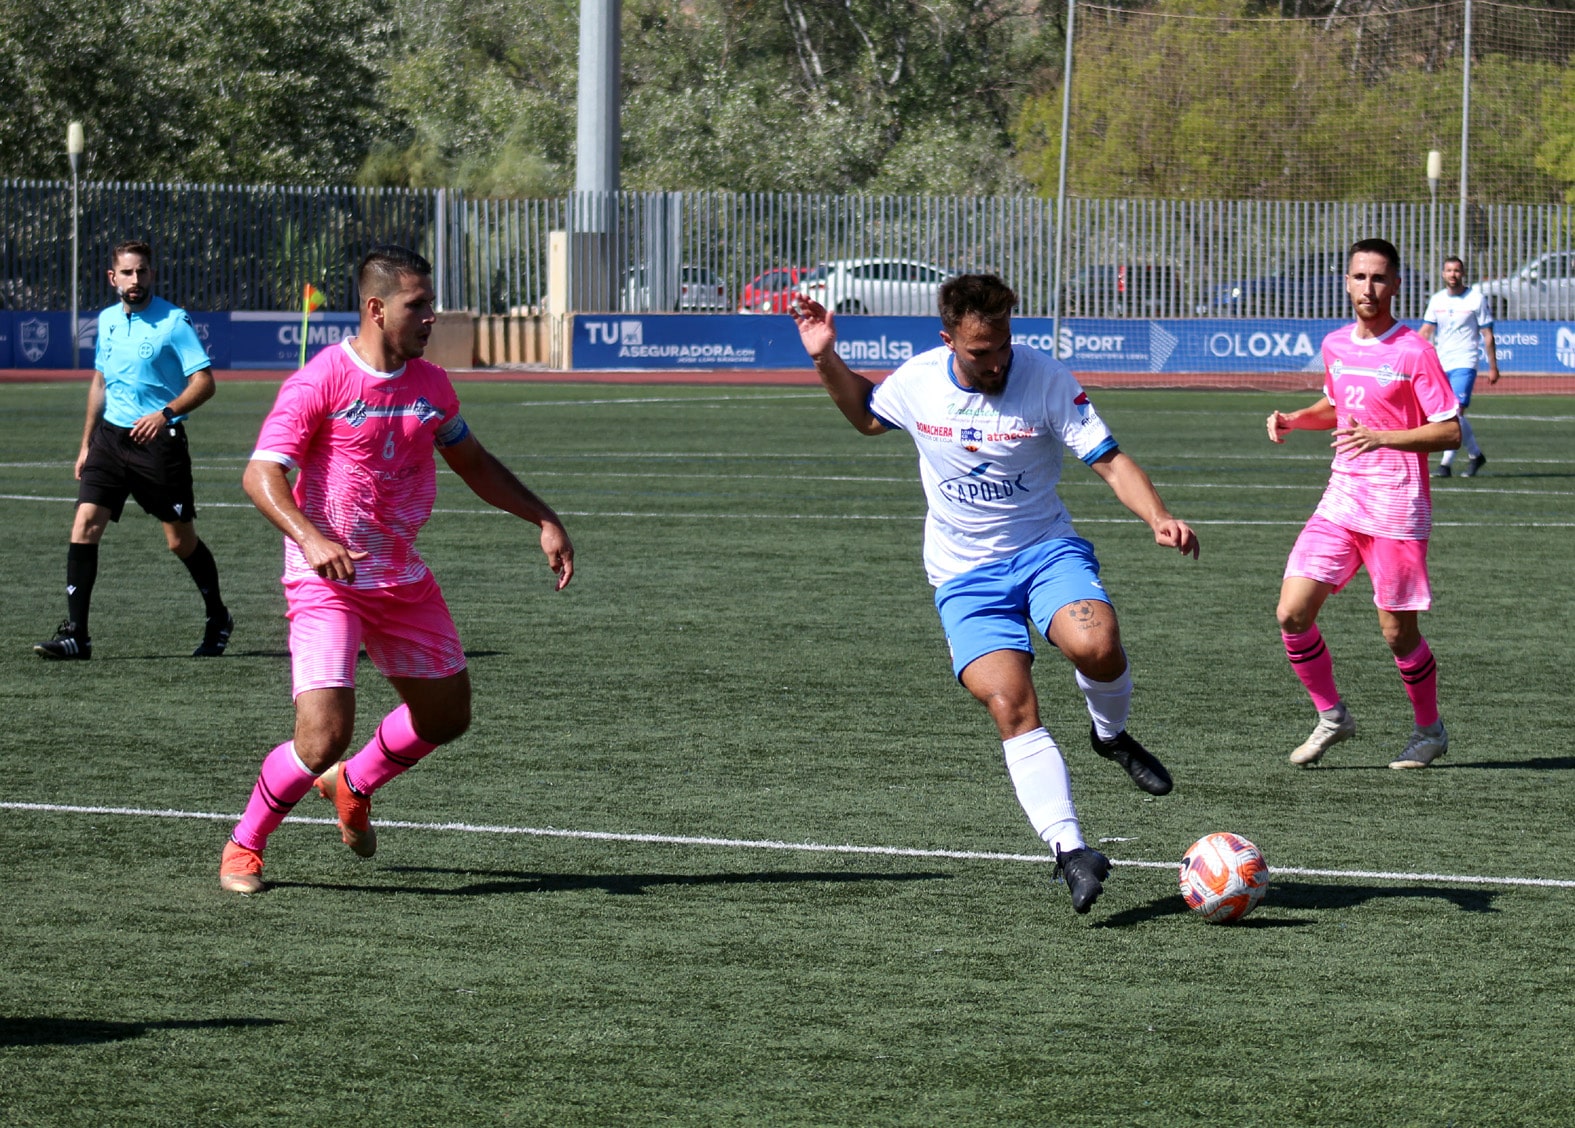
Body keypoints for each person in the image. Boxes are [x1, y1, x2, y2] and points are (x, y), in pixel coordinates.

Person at [790, 273, 1198, 915]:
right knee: (1010, 703)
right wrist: (824, 357)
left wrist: (1159, 517)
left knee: (1096, 645)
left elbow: (1109, 459)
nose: (998, 360)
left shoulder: (1044, 378)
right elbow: (868, 416)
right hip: (962, 575)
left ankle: (1110, 734)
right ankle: (1071, 851)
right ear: (948, 338)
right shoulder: (920, 380)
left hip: (1044, 552)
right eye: (981, 351)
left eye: (1004, 341)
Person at [218, 244, 574, 894]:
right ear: (377, 309)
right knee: (323, 735)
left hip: (400, 577)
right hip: (327, 580)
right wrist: (310, 538)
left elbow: (475, 463)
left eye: (431, 304)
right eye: (419, 306)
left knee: (447, 717)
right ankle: (246, 844)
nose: (431, 318)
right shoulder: (320, 380)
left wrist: (542, 517)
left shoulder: (432, 386)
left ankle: (355, 785)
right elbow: (260, 475)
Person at [1266, 237, 1462, 770]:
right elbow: (1335, 406)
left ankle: (1430, 731)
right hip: (1342, 499)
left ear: (1395, 285)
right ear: (1346, 281)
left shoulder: (1414, 351)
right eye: (1359, 277)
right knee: (1291, 612)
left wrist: (1383, 438)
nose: (1368, 288)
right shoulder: (1336, 346)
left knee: (1399, 636)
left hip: (1398, 508)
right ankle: (1333, 716)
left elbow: (1450, 431)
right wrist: (1293, 420)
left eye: (1379, 278)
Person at [32, 240, 233, 661]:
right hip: (109, 440)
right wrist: (86, 444)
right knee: (85, 524)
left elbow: (205, 383)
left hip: (159, 444)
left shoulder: (174, 322)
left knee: (179, 542)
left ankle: (218, 617)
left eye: (142, 272)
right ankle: (77, 635)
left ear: (152, 275)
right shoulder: (106, 320)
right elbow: (100, 384)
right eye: (127, 273)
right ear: (113, 278)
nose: (135, 280)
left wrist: (166, 414)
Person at [1420, 255, 1500, 478]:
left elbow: (1487, 334)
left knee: (1455, 412)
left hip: (1465, 361)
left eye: (1457, 270)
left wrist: (1493, 366)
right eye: (1449, 270)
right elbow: (1426, 331)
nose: (1453, 274)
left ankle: (1445, 465)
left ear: (1462, 274)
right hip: (1441, 363)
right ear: (1443, 274)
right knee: (1446, 413)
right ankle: (1475, 455)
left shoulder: (1476, 299)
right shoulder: (1437, 300)